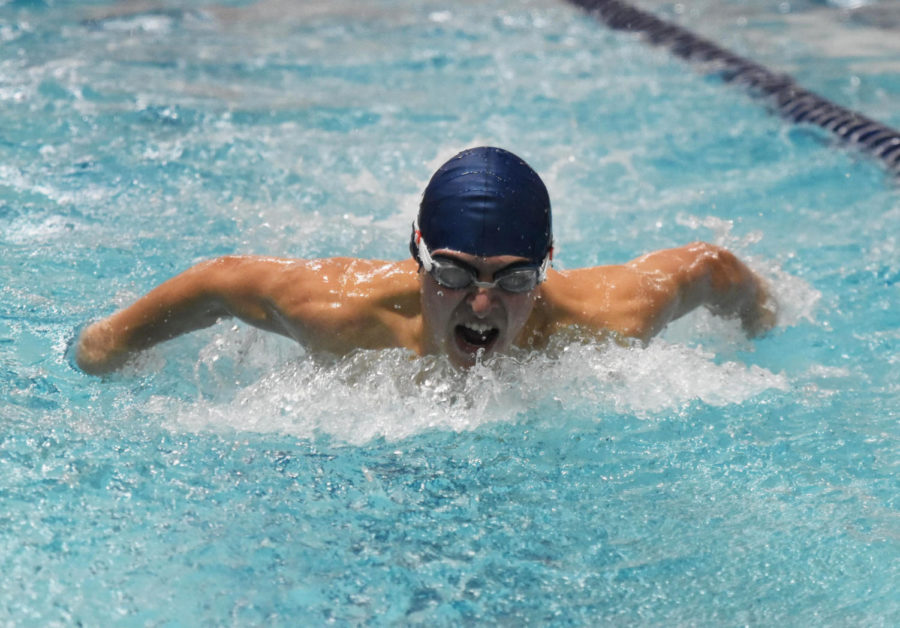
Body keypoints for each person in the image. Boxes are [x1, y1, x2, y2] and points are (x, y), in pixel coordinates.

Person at [75, 146, 775, 374]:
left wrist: (766, 328)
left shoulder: (607, 322)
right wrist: (104, 346)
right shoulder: (340, 313)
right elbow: (219, 280)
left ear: (549, 264)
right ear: (415, 255)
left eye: (513, 278)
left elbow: (712, 268)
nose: (480, 304)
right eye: (452, 273)